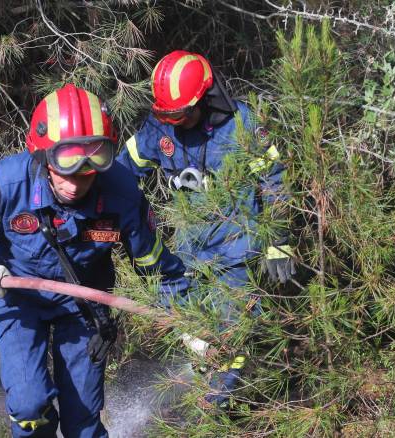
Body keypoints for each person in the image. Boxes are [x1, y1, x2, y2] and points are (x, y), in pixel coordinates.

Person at [0, 84, 190, 437]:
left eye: (89, 168)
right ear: (44, 155)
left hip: (85, 306)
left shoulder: (121, 193)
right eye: (66, 167)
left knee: (83, 422)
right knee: (31, 409)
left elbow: (156, 265)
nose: (77, 183)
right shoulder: (10, 181)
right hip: (20, 303)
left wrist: (188, 321)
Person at [116, 50, 296, 407]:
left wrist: (279, 239)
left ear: (203, 99)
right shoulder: (159, 127)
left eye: (180, 113)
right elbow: (122, 172)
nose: (173, 121)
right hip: (185, 257)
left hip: (236, 255)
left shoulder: (242, 125)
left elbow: (274, 180)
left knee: (232, 342)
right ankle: (200, 401)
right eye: (166, 113)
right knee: (195, 338)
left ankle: (215, 412)